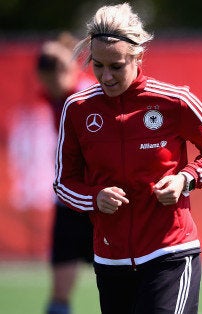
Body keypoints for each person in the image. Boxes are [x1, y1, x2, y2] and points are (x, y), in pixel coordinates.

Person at [53, 3, 202, 313]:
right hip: (111, 259)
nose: (106, 76)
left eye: (117, 66)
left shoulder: (175, 100)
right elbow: (64, 184)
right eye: (98, 65)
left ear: (137, 57)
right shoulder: (77, 109)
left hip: (171, 253)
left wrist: (184, 179)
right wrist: (95, 198)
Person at [34, 32, 97, 314]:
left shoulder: (89, 95)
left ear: (69, 69)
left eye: (55, 75)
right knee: (59, 291)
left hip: (100, 201)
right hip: (70, 200)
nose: (49, 85)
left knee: (119, 281)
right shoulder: (52, 95)